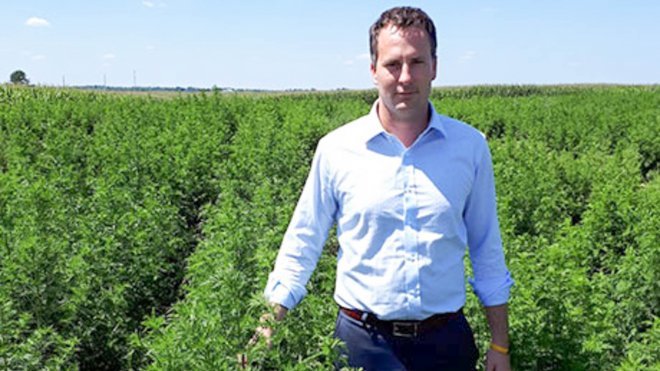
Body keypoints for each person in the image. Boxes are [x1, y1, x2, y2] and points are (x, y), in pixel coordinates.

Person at [253, 6, 513, 371]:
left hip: (445, 343)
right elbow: (303, 241)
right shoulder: (337, 149)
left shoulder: (469, 148)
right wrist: (268, 325)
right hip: (362, 343)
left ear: (435, 66)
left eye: (417, 62)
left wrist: (499, 344)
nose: (405, 77)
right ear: (373, 69)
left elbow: (487, 248)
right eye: (393, 64)